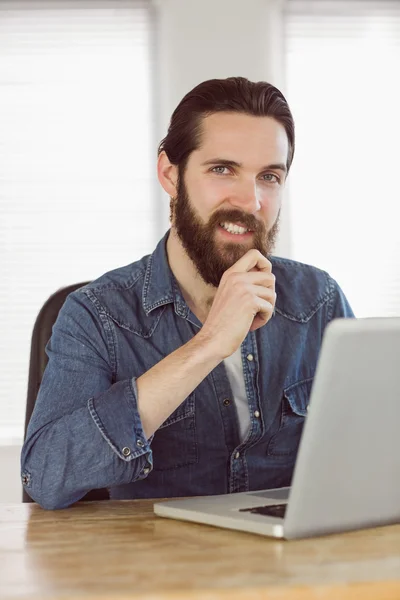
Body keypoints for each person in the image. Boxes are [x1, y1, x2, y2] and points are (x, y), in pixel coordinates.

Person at [21, 77, 354, 510]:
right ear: (170, 174)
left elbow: (373, 451)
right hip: (160, 569)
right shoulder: (98, 314)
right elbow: (45, 476)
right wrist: (209, 343)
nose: (250, 200)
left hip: (294, 568)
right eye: (222, 170)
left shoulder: (319, 301)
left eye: (269, 176)